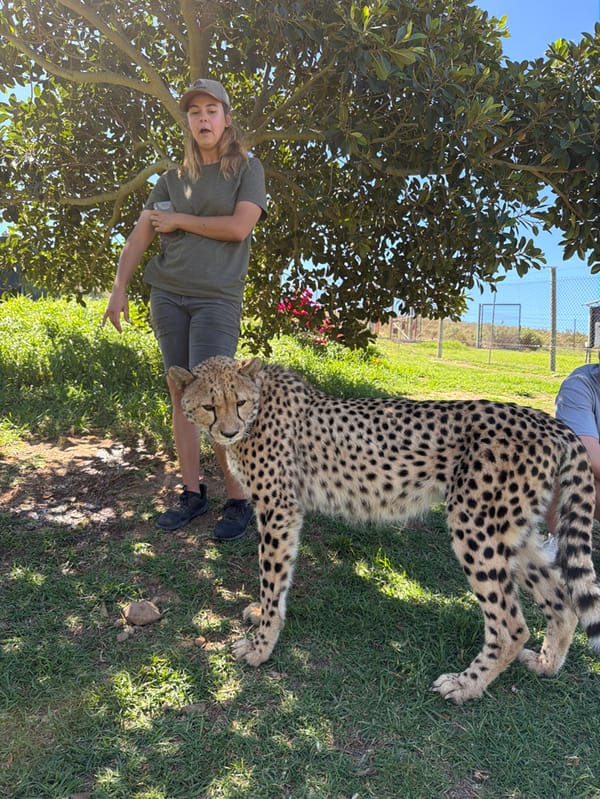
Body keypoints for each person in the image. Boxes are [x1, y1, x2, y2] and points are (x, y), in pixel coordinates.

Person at [102, 78, 267, 540]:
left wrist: (178, 220)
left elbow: (239, 228)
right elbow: (140, 236)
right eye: (195, 113)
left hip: (217, 298)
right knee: (185, 396)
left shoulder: (246, 171)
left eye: (212, 110)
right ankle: (192, 494)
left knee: (221, 395)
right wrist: (119, 288)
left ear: (227, 118)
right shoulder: (170, 180)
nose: (203, 119)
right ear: (188, 122)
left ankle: (239, 500)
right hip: (167, 296)